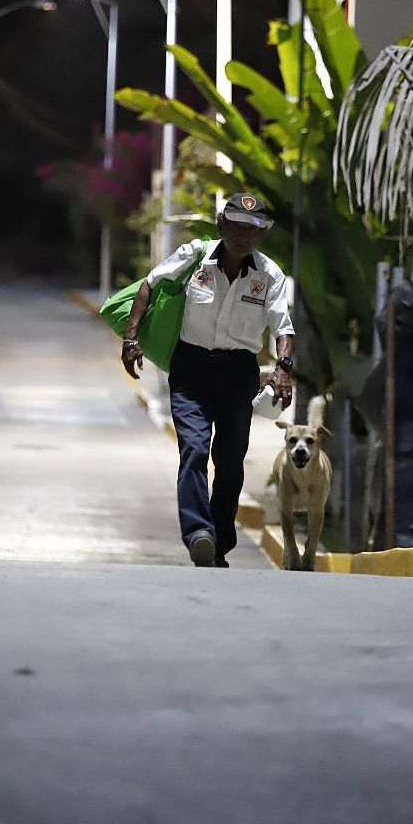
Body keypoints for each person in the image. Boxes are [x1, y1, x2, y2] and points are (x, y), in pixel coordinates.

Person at [121, 192, 295, 568]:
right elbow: (149, 284)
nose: (242, 235)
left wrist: (283, 366)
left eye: (252, 229)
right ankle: (199, 532)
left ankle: (218, 542)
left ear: (261, 234)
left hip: (238, 375)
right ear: (221, 225)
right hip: (192, 371)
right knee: (195, 450)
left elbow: (283, 326)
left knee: (231, 462)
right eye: (235, 225)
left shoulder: (269, 276)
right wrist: (131, 337)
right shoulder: (195, 256)